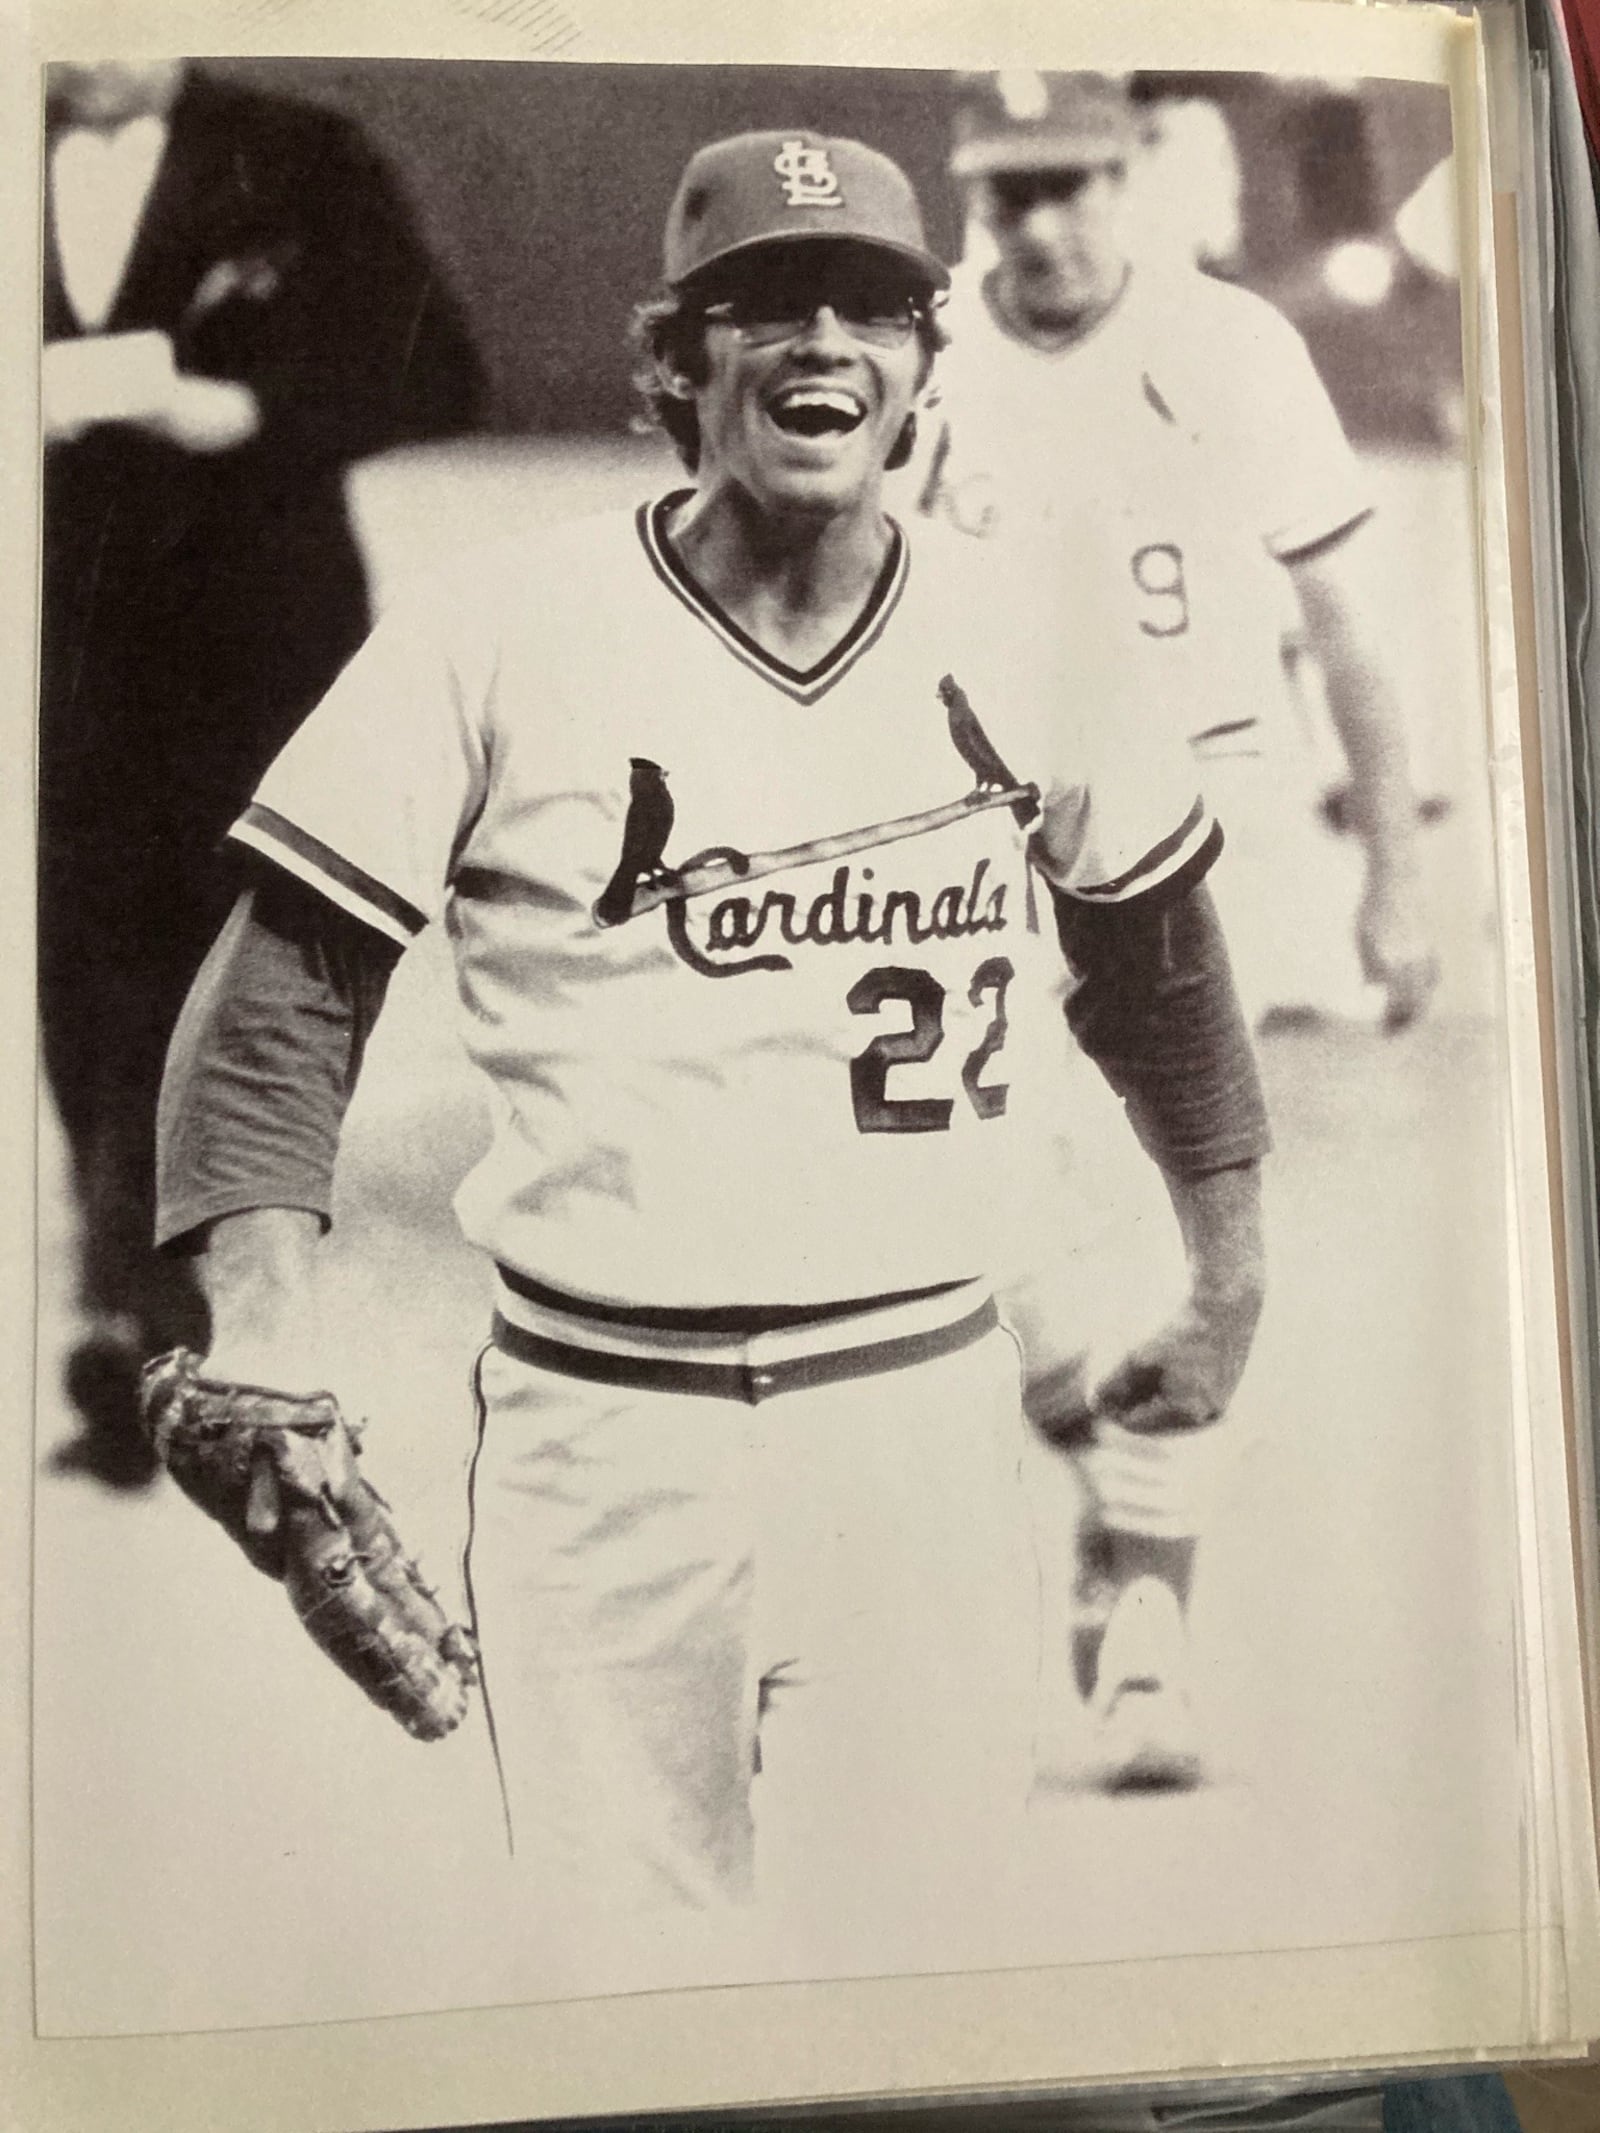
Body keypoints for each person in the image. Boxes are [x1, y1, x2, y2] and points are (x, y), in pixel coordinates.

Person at [152, 129, 1268, 1906]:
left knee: (913, 2000)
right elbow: (286, 983)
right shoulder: (497, 628)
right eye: (762, 306)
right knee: (631, 1998)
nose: (822, 341)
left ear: (921, 369)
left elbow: (1165, 968)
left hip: (917, 1411)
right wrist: (263, 1316)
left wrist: (1225, 1272)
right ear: (669, 360)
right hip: (600, 1430)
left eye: (872, 308)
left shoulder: (1037, 630)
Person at [40, 60, 484, 1486]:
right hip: (55, 644)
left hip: (252, 647)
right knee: (81, 971)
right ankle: (144, 1313)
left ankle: (165, 1315)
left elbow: (436, 368)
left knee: (219, 972)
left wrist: (233, 408)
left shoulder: (300, 157)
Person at [903, 70, 1440, 1036]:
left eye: (1067, 187)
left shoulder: (1233, 342)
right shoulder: (920, 344)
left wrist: (1395, 885)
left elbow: (1345, 633)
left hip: (1202, 809)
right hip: (982, 828)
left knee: (1218, 1164)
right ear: (968, 193)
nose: (1039, 227)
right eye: (1010, 194)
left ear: (1123, 174)